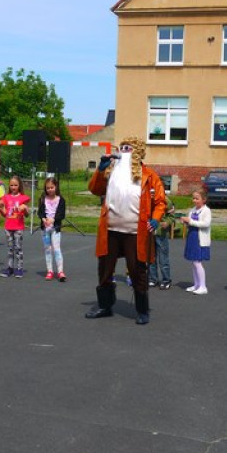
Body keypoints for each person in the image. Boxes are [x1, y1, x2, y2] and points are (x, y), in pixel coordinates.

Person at [85, 136, 167, 325]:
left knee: (137, 269)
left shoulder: (149, 175)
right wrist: (100, 169)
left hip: (134, 232)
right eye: (121, 148)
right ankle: (105, 305)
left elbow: (160, 201)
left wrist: (155, 219)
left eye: (128, 148)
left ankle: (142, 310)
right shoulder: (110, 172)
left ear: (137, 151)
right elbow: (95, 190)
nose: (123, 151)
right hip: (110, 229)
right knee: (104, 268)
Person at [0, 175, 30, 278]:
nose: (13, 187)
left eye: (15, 185)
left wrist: (25, 208)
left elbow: (27, 214)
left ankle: (19, 268)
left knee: (18, 248)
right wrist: (0, 208)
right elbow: (5, 214)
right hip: (8, 226)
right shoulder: (6, 197)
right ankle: (10, 268)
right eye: (11, 185)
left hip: (18, 227)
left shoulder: (23, 198)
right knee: (10, 248)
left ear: (19, 185)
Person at [183, 188, 212, 295]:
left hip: (200, 239)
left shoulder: (206, 210)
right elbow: (191, 222)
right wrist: (186, 222)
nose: (194, 200)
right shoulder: (193, 210)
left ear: (204, 200)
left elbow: (205, 224)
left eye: (197, 198)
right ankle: (196, 284)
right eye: (193, 198)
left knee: (197, 262)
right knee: (193, 262)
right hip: (192, 237)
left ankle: (203, 286)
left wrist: (190, 221)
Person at [38, 175, 67, 282]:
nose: (50, 190)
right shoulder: (42, 199)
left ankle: (60, 271)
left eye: (52, 187)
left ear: (56, 187)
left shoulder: (61, 200)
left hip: (55, 228)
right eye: (48, 188)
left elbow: (62, 214)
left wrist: (53, 219)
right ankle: (50, 271)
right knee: (48, 249)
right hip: (45, 229)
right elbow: (40, 212)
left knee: (56, 249)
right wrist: (43, 219)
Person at [149, 199, 176, 290]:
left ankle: (166, 280)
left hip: (162, 234)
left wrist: (167, 222)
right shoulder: (146, 198)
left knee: (163, 258)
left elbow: (172, 216)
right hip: (149, 233)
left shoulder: (166, 201)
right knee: (151, 258)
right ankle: (153, 279)